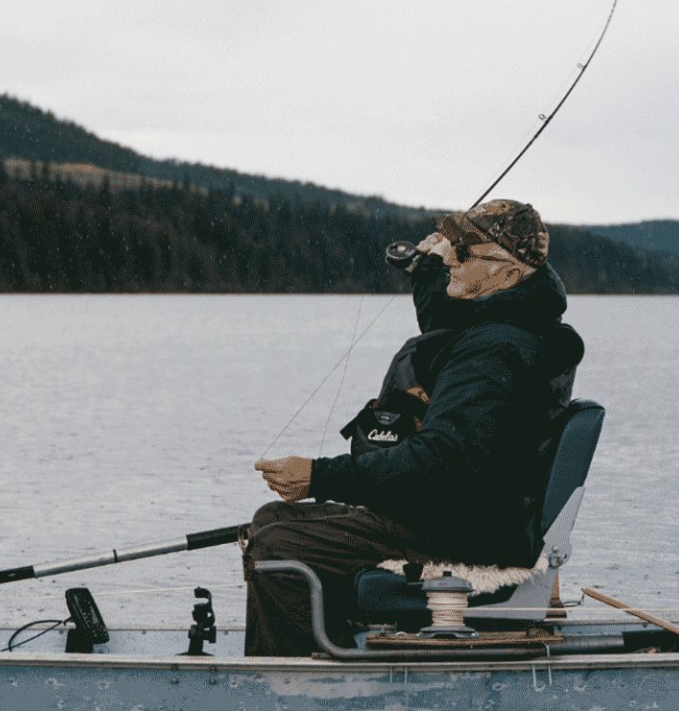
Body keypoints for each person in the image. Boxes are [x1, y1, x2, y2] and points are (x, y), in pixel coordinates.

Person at [243, 198, 585, 656]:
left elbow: (441, 459)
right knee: (271, 520)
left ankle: (294, 687)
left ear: (506, 274)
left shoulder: (494, 351)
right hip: (474, 513)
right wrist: (425, 272)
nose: (448, 258)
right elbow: (448, 323)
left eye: (463, 252)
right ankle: (334, 649)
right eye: (451, 247)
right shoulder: (512, 322)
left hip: (469, 532)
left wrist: (319, 475)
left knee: (277, 544)